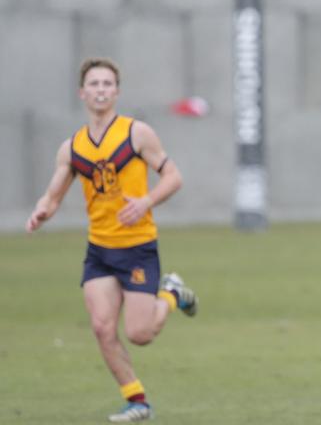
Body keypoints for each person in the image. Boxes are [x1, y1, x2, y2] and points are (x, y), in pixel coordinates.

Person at [25, 58, 197, 423]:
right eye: (94, 84)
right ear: (82, 93)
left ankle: (172, 294)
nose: (100, 90)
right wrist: (42, 211)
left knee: (140, 333)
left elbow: (174, 176)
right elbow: (52, 196)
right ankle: (138, 401)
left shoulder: (137, 134)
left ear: (117, 92)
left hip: (137, 247)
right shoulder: (71, 148)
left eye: (107, 84)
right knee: (102, 327)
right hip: (100, 251)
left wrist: (147, 201)